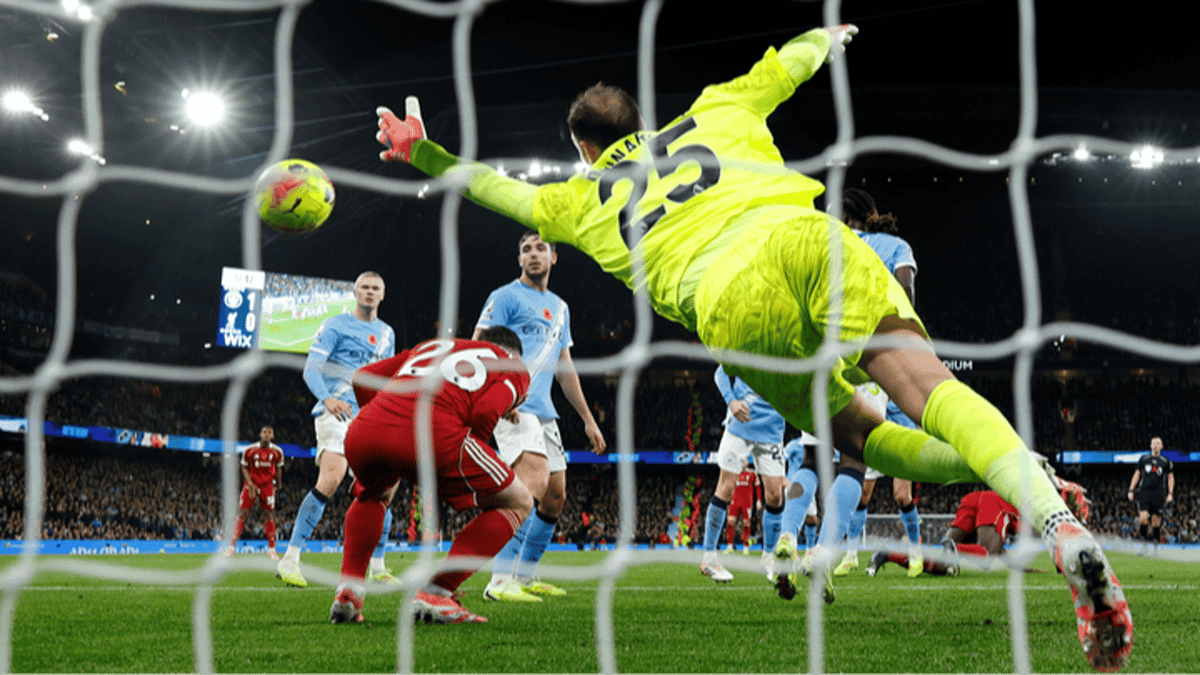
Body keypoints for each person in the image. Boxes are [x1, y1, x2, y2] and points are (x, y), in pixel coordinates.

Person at [374, 24, 1131, 671]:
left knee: (865, 438)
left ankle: (1022, 478)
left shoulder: (576, 198)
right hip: (806, 238)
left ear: (583, 148)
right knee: (931, 390)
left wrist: (423, 151)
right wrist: (825, 39)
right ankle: (1045, 508)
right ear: (642, 119)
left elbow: (492, 187)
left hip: (733, 306)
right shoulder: (716, 109)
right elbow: (786, 65)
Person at [329, 327, 533, 624]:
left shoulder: (431, 345)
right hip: (436, 435)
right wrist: (465, 459)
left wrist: (386, 423)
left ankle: (349, 591)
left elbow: (363, 377)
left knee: (375, 493)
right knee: (519, 501)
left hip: (365, 431)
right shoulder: (512, 364)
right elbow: (485, 411)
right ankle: (438, 592)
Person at [474, 231, 606, 602]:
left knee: (555, 496)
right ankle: (499, 580)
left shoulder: (560, 308)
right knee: (529, 484)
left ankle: (526, 576)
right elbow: (479, 343)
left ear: (553, 257)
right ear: (519, 259)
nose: (533, 254)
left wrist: (588, 419)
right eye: (526, 250)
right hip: (514, 407)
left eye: (540, 248)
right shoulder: (505, 296)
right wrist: (498, 393)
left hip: (545, 410)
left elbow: (565, 367)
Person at [277, 271, 397, 588]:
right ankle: (290, 559)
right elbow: (311, 369)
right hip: (337, 412)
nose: (370, 292)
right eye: (364, 287)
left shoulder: (387, 334)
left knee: (382, 487)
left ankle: (378, 567)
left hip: (368, 417)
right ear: (355, 292)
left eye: (375, 288)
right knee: (332, 477)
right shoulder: (335, 325)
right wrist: (327, 398)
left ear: (382, 295)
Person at [832, 189, 923, 578]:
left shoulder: (837, 246)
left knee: (893, 489)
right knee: (866, 490)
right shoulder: (898, 247)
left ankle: (915, 552)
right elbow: (907, 298)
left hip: (864, 365)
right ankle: (850, 554)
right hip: (893, 366)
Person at [868, 481, 1090, 577]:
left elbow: (1001, 550)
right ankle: (952, 548)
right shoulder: (1049, 511)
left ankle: (889, 553)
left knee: (943, 562)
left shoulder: (1042, 498)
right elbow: (1057, 542)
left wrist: (1020, 568)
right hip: (995, 504)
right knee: (986, 556)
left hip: (976, 499)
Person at [700, 366, 786, 583]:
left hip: (772, 430)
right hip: (741, 425)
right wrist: (731, 401)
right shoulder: (747, 346)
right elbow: (720, 372)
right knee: (725, 487)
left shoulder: (790, 351)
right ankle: (709, 558)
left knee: (776, 496)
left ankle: (768, 557)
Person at [226, 425, 284, 559]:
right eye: (264, 432)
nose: (266, 434)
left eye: (269, 432)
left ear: (273, 436)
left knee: (269, 515)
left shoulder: (277, 452)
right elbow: (244, 467)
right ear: (260, 434)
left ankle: (272, 549)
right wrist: (250, 483)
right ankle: (231, 547)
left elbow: (279, 469)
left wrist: (279, 485)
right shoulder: (250, 450)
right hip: (251, 484)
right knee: (242, 513)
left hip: (267, 486)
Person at [1127, 436, 1174, 543]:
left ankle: (1156, 544)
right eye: (1154, 443)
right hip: (1144, 491)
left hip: (1158, 493)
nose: (1156, 445)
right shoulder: (1144, 459)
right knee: (1143, 518)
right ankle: (1143, 542)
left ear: (1162, 446)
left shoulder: (1166, 461)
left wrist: (1170, 493)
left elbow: (1171, 477)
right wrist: (1131, 490)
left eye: (1158, 443)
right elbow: (1137, 474)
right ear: (1150, 446)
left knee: (1156, 521)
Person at [725, 466, 762, 554]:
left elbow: (758, 487)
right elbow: (728, 486)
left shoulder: (752, 473)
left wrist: (759, 500)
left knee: (746, 524)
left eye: (745, 460)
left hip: (747, 502)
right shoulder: (733, 471)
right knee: (730, 522)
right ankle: (729, 546)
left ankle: (746, 547)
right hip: (735, 501)